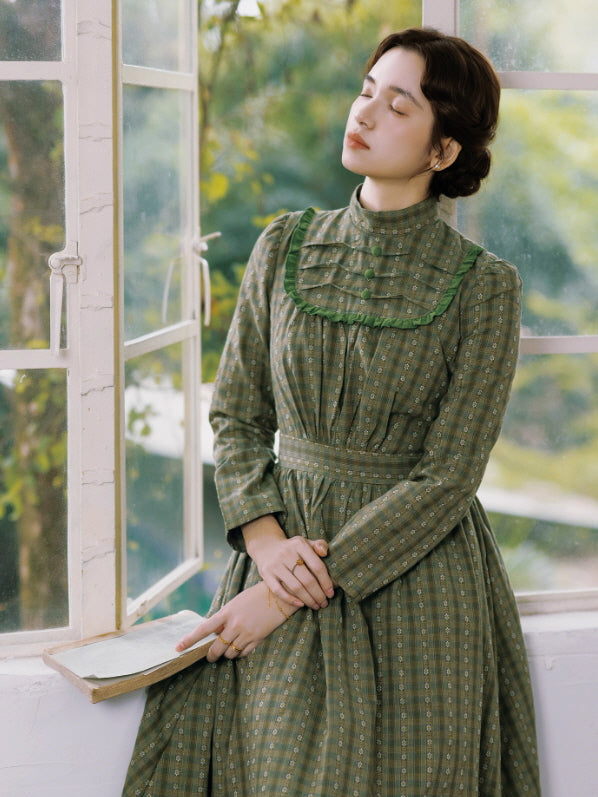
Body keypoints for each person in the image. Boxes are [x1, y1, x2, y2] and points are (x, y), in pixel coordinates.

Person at [122, 27, 541, 796]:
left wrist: (283, 592)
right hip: (281, 543)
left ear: (443, 152)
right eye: (366, 89)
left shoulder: (485, 286)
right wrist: (267, 545)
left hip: (413, 577)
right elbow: (237, 416)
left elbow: (449, 475)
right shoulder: (284, 245)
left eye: (399, 104)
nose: (367, 112)